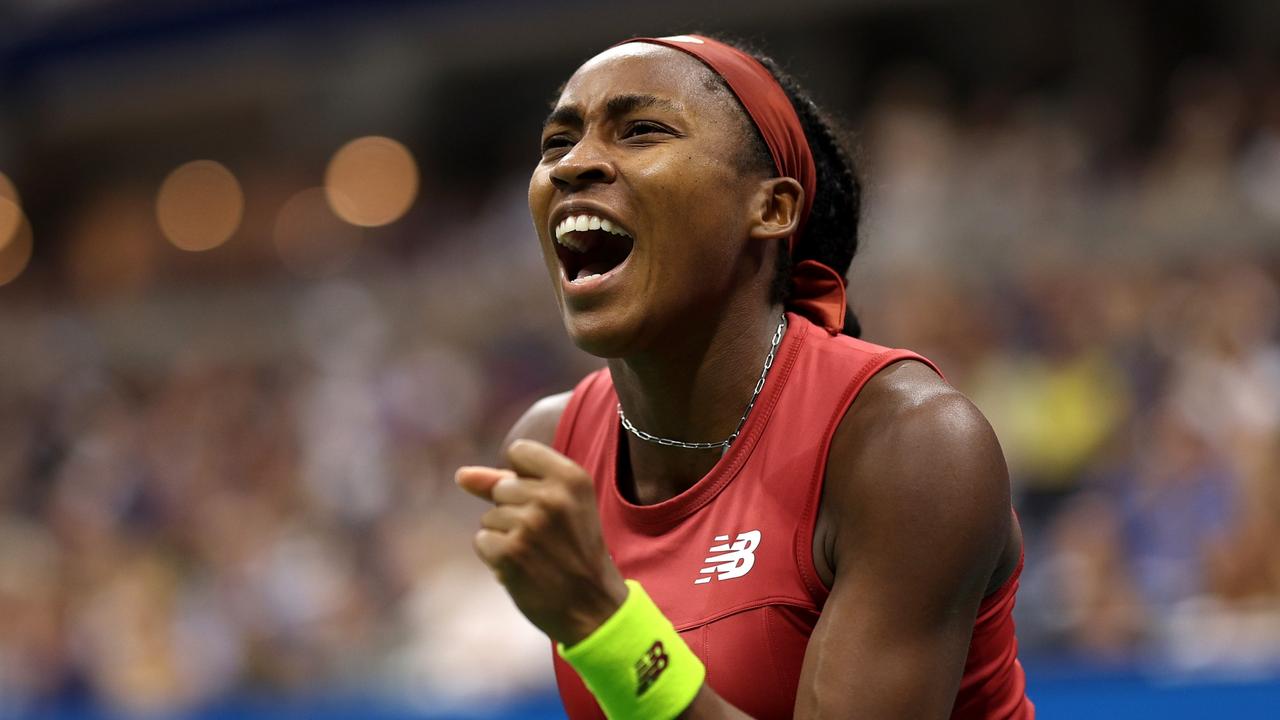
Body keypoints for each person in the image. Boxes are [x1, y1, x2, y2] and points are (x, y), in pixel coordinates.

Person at [455, 34, 1033, 720]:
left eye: (641, 131)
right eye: (557, 143)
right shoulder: (554, 448)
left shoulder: (908, 443)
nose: (574, 165)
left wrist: (605, 625)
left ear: (772, 209)